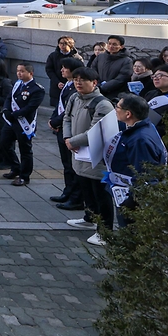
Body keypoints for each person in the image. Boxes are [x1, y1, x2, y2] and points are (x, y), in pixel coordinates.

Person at [62, 67, 115, 247]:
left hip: (96, 157)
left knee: (100, 194)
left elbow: (96, 131)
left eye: (83, 79)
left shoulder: (103, 104)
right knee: (86, 189)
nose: (78, 82)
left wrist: (72, 141)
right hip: (78, 153)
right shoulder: (74, 98)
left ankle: (105, 231)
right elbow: (67, 118)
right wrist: (67, 138)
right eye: (76, 79)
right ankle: (89, 218)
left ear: (94, 83)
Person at [106, 94, 168, 228]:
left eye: (118, 107)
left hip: (132, 199)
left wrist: (130, 202)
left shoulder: (140, 140)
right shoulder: (144, 128)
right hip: (129, 192)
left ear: (128, 114)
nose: (115, 109)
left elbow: (144, 175)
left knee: (129, 230)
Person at [0, 64, 46, 187]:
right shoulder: (17, 84)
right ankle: (15, 167)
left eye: (22, 71)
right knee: (4, 143)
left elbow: (31, 107)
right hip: (11, 121)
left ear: (30, 73)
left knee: (25, 150)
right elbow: (9, 98)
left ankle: (24, 176)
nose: (19, 73)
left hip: (24, 123)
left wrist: (14, 114)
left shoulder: (37, 89)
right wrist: (6, 110)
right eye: (18, 71)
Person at [48, 58, 85, 211]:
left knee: (73, 165)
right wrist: (53, 120)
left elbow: (68, 112)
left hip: (70, 130)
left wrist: (55, 121)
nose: (62, 70)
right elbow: (59, 106)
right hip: (61, 128)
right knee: (66, 165)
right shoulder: (67, 85)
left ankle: (76, 198)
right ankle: (68, 192)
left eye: (65, 68)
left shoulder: (75, 90)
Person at [93, 35, 133, 102]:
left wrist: (104, 87)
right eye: (109, 43)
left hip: (115, 94)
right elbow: (93, 71)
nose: (111, 46)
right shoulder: (100, 57)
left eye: (114, 44)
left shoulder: (127, 61)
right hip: (97, 91)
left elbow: (122, 78)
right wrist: (97, 85)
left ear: (121, 46)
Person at [45, 36, 82, 107]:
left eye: (64, 43)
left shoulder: (76, 57)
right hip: (56, 86)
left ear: (70, 45)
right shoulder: (53, 56)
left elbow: (80, 71)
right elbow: (49, 70)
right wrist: (57, 82)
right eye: (60, 43)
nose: (62, 45)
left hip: (72, 85)